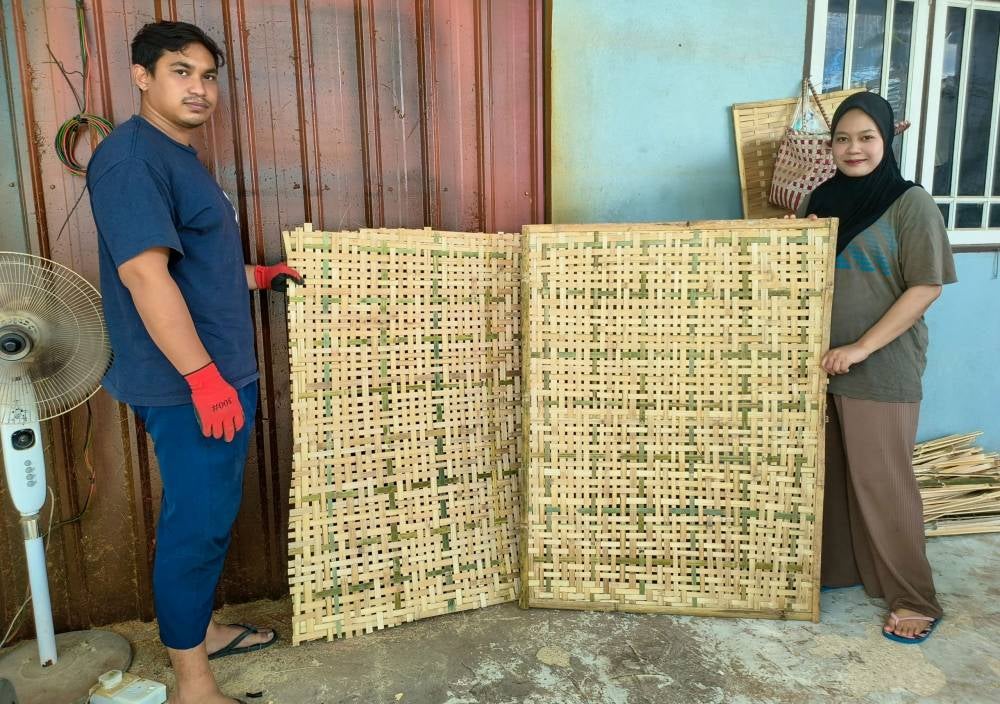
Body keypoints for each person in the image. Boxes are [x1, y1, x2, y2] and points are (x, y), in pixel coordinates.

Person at [87, 21, 302, 704]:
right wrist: (205, 379)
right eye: (181, 72)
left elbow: (191, 265)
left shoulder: (174, 154)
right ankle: (193, 687)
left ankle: (200, 633)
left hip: (211, 373)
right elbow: (147, 278)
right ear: (141, 75)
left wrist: (258, 275)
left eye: (208, 76)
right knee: (199, 524)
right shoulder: (130, 160)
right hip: (188, 383)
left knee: (207, 514)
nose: (200, 88)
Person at [791, 92, 956, 644]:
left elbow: (925, 286)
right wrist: (803, 239)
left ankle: (914, 597)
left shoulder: (910, 202)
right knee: (831, 478)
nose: (853, 148)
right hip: (819, 362)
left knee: (883, 483)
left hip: (880, 366)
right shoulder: (822, 197)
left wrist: (861, 347)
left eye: (866, 137)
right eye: (842, 138)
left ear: (886, 141)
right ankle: (842, 571)